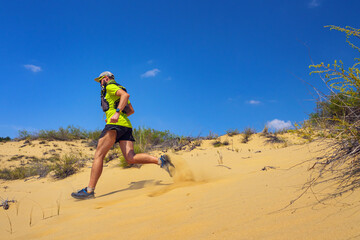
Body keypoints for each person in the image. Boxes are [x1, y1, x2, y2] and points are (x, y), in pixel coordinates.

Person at [71, 71, 174, 199]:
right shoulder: (118, 88)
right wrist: (116, 115)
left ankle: (89, 191)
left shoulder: (110, 86)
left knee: (99, 155)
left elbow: (125, 95)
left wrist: (116, 113)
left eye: (101, 80)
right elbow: (131, 110)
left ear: (106, 78)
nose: (100, 83)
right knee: (130, 158)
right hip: (126, 126)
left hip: (115, 126)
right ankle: (160, 161)